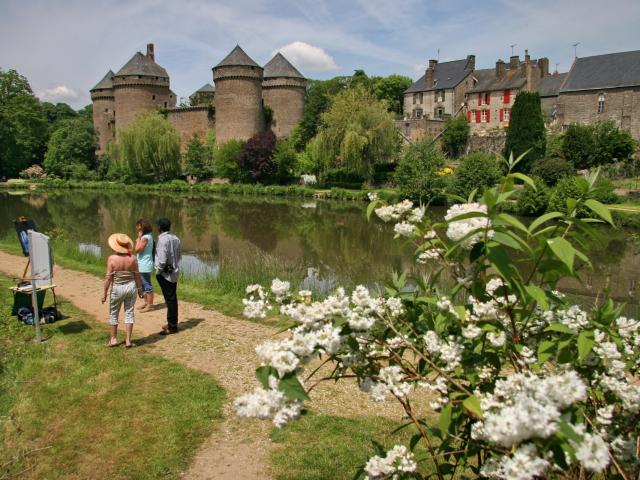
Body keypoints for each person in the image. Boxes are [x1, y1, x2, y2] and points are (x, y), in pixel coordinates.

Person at [102, 233, 143, 348]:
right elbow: (137, 276)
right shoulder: (133, 258)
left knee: (114, 313)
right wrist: (140, 290)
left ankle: (114, 339)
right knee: (129, 313)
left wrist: (104, 293)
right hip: (131, 288)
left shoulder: (112, 259)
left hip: (117, 289)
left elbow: (108, 278)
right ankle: (128, 341)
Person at [155, 217, 181, 335]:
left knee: (170, 299)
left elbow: (162, 259)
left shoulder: (162, 240)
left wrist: (158, 271)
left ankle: (172, 326)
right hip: (174, 271)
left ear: (160, 227)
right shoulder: (176, 238)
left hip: (165, 273)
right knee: (171, 298)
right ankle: (172, 323)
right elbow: (179, 256)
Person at [134, 219, 155, 312]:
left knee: (147, 285)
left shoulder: (145, 238)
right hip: (143, 263)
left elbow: (137, 249)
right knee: (143, 284)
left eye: (137, 226)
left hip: (144, 264)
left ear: (141, 227)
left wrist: (138, 239)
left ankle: (150, 305)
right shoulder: (148, 236)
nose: (136, 228)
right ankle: (146, 303)